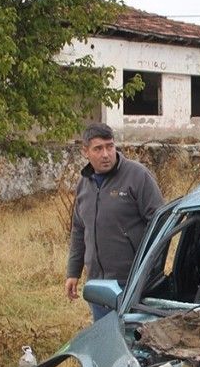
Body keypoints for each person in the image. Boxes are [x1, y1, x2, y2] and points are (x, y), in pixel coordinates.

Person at [66, 123, 164, 320]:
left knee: (133, 335)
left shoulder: (137, 176)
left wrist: (149, 270)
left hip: (132, 283)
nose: (106, 154)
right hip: (98, 285)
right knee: (104, 334)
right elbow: (79, 230)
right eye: (98, 148)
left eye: (110, 146)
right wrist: (73, 272)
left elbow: (160, 224)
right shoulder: (84, 184)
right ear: (85, 152)